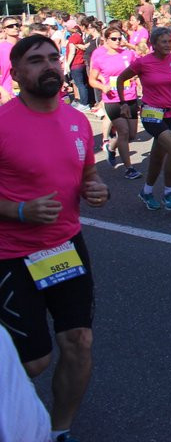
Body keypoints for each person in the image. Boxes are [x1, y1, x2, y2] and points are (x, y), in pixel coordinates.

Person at [0, 34, 110, 442]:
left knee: (79, 341)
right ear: (16, 73)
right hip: (10, 253)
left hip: (65, 247)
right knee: (33, 362)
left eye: (52, 59)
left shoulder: (77, 120)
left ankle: (59, 430)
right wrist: (18, 210)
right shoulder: (3, 123)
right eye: (35, 61)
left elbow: (87, 176)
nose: (48, 66)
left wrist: (96, 188)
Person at [115, 27, 171, 210]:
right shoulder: (143, 62)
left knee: (157, 156)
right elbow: (121, 79)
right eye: (163, 42)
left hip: (170, 113)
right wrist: (123, 102)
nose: (168, 45)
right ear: (153, 44)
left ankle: (146, 192)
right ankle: (168, 193)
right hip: (151, 112)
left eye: (169, 42)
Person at [88, 22, 141, 180]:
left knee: (131, 134)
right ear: (106, 40)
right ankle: (129, 168)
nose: (118, 41)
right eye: (114, 38)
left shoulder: (128, 54)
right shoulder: (100, 57)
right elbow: (92, 79)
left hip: (130, 97)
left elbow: (138, 68)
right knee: (123, 132)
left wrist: (137, 80)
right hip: (112, 99)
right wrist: (102, 87)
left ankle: (111, 147)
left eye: (120, 38)